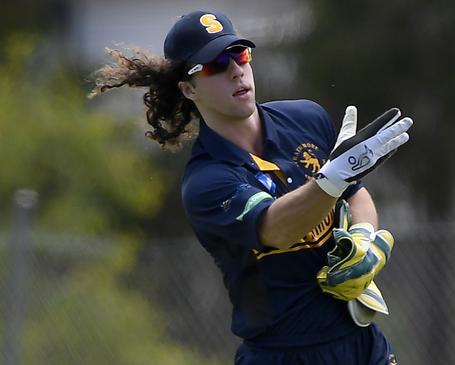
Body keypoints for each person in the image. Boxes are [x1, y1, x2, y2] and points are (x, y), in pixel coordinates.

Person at [89, 9, 412, 365]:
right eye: (214, 65)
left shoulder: (306, 117)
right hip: (282, 355)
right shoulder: (206, 181)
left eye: (239, 55)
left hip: (361, 343)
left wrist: (365, 241)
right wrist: (333, 178)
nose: (235, 70)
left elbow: (356, 195)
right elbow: (277, 228)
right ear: (188, 88)